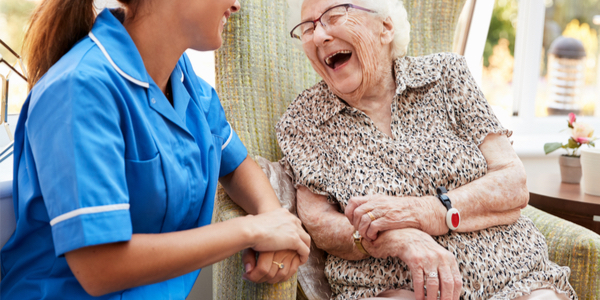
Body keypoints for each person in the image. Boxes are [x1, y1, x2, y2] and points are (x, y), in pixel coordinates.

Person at [0, 0, 311, 299]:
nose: (235, 4)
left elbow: (236, 163)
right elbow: (99, 267)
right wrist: (251, 230)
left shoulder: (182, 77)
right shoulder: (78, 89)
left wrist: (274, 220)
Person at [276, 0, 577, 299]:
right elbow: (320, 225)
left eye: (334, 16)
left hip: (515, 276)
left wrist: (426, 212)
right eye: (308, 28)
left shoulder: (446, 75)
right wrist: (400, 238)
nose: (318, 36)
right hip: (393, 286)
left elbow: (513, 183)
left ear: (386, 27)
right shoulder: (305, 119)